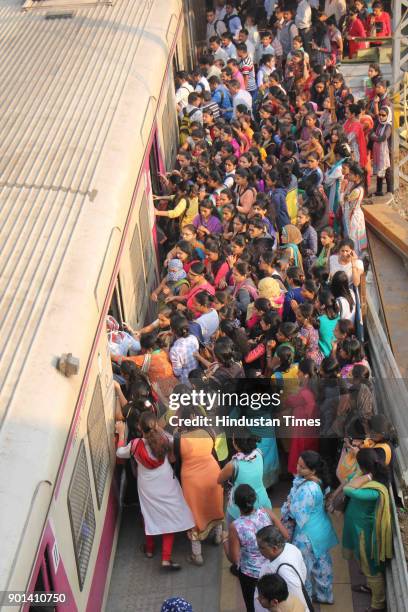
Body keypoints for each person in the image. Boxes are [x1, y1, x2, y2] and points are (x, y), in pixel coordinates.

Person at [116, 412, 195, 570]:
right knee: (170, 516)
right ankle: (166, 559)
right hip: (166, 481)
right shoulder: (164, 439)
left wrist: (121, 433)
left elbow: (119, 453)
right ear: (155, 425)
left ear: (139, 427)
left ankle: (150, 549)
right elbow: (176, 443)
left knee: (149, 515)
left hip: (147, 486)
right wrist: (161, 430)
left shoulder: (135, 444)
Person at [281, 451, 338, 604]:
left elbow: (297, 513)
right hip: (322, 530)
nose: (298, 469)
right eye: (298, 464)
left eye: (303, 467)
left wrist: (288, 503)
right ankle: (325, 596)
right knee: (322, 565)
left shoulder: (307, 489)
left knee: (303, 568)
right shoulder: (320, 482)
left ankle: (305, 599)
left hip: (306, 536)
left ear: (313, 470)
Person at [223, 484, 288, 612]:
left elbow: (235, 559)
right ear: (254, 499)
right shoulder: (266, 512)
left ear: (236, 503)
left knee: (252, 605)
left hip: (250, 575)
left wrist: (225, 540)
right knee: (272, 603)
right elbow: (285, 535)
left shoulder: (236, 526)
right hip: (272, 568)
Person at [343, 448, 392, 611]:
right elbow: (349, 478)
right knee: (363, 562)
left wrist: (366, 476)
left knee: (370, 567)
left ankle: (377, 604)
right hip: (358, 528)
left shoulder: (374, 490)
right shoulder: (368, 480)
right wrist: (364, 474)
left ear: (363, 467)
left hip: (365, 532)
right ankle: (369, 587)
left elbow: (348, 488)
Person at [174, 404, 224, 566]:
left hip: (191, 480)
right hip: (212, 473)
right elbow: (213, 450)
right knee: (214, 505)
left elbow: (175, 459)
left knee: (194, 513)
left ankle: (197, 555)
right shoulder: (208, 431)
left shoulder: (178, 438)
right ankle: (217, 536)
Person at [218, 431, 272, 525]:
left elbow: (219, 480)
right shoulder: (259, 453)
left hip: (239, 507)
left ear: (236, 445)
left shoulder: (233, 465)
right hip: (262, 502)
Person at [255, 525, 308, 612]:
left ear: (274, 549)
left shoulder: (285, 571)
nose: (258, 550)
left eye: (262, 548)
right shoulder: (290, 547)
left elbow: (297, 599)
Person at [169, 316, 200, 385]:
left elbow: (177, 372)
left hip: (186, 381)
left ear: (173, 331)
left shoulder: (174, 350)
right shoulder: (193, 338)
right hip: (197, 373)